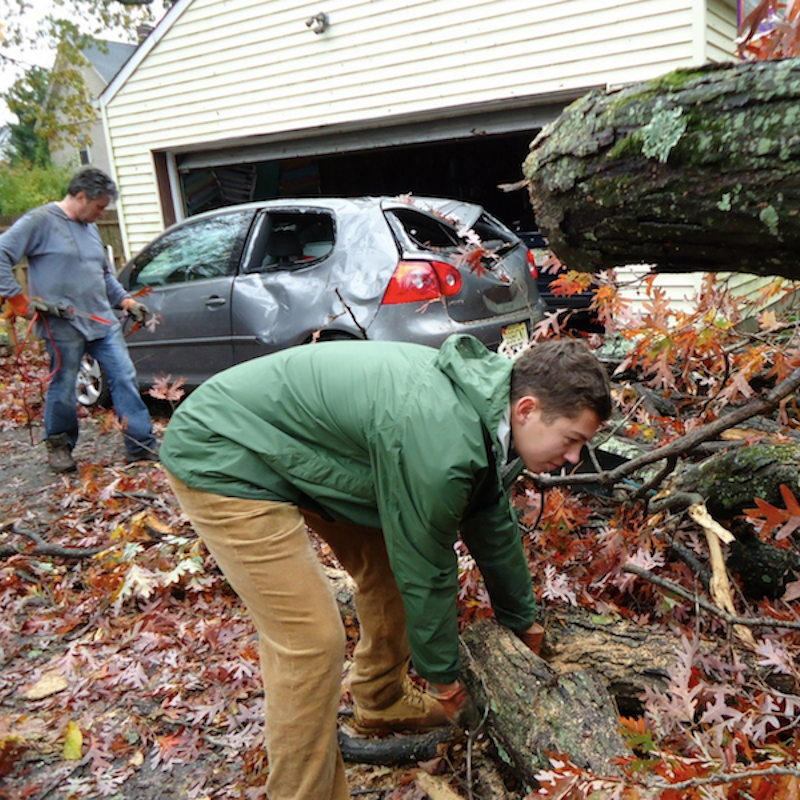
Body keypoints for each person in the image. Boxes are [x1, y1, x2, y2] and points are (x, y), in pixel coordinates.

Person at [160, 334, 612, 800]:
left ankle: (380, 699)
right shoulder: (443, 440)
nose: (575, 458)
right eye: (572, 439)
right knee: (310, 641)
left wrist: (523, 621)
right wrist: (445, 680)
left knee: (386, 571)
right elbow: (427, 564)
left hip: (296, 448)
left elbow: (491, 520)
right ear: (527, 410)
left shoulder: (483, 408)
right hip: (222, 452)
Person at [0, 166, 158, 472]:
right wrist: (19, 301)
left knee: (124, 376)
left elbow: (102, 275)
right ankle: (60, 445)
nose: (102, 214)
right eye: (99, 207)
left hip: (101, 321)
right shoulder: (40, 221)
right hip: (63, 325)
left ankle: (140, 445)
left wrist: (125, 300)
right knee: (64, 384)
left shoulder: (91, 228)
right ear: (81, 197)